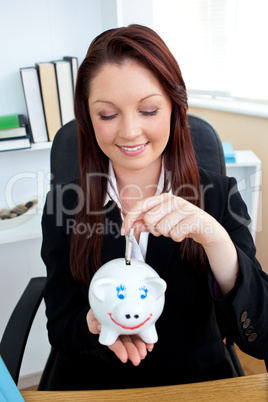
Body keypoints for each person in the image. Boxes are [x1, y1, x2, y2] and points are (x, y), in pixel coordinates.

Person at [41, 24, 268, 390]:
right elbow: (61, 327)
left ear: (175, 109)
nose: (130, 132)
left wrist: (214, 238)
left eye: (148, 110)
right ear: (87, 118)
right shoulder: (64, 205)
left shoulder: (218, 195)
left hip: (196, 385)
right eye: (108, 114)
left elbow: (260, 334)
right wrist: (92, 323)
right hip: (97, 384)